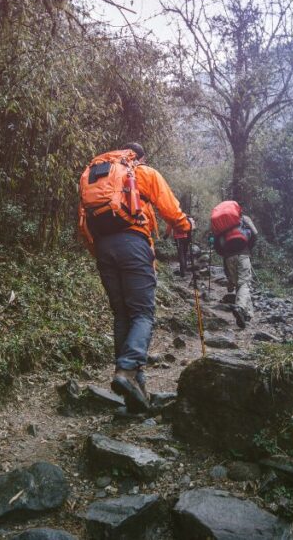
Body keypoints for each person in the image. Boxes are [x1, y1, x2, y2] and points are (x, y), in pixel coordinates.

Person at [78, 142, 192, 413]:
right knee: (142, 313)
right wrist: (186, 225)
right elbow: (170, 209)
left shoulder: (96, 175)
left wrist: (100, 251)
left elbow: (83, 220)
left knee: (122, 315)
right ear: (139, 156)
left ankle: (135, 389)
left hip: (104, 248)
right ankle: (127, 371)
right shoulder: (140, 171)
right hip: (133, 244)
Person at [210, 200, 257, 329]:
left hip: (228, 257)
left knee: (239, 285)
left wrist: (225, 255)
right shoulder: (244, 219)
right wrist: (248, 247)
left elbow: (217, 245)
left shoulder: (221, 226)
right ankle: (241, 307)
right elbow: (255, 233)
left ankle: (247, 315)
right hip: (243, 254)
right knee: (245, 283)